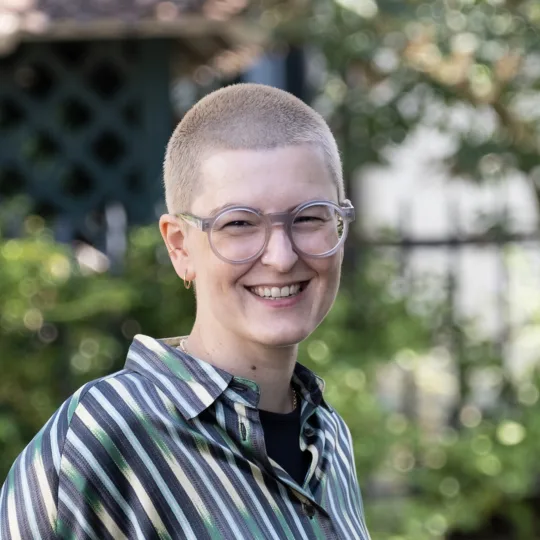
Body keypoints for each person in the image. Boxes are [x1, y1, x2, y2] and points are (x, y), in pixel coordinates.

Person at [0, 83, 370, 539]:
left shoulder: (328, 437)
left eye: (310, 217)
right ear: (180, 247)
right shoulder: (102, 436)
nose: (281, 256)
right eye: (238, 223)